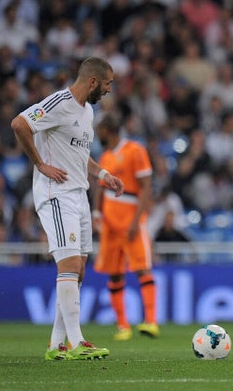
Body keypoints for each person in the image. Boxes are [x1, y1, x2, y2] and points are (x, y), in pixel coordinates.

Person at [11, 57, 123, 361]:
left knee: (79, 271)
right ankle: (77, 342)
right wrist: (41, 164)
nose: (110, 90)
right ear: (93, 81)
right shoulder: (59, 102)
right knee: (69, 266)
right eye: (108, 83)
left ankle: (56, 344)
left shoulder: (87, 112)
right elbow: (20, 124)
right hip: (57, 194)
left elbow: (78, 155)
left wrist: (102, 175)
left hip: (79, 194)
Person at [92, 114, 159, 341]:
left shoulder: (135, 150)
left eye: (99, 129)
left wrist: (137, 220)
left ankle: (150, 322)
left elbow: (146, 187)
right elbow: (101, 188)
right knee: (115, 274)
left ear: (107, 130)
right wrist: (96, 213)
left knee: (142, 268)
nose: (96, 134)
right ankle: (123, 326)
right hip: (110, 225)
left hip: (131, 222)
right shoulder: (106, 156)